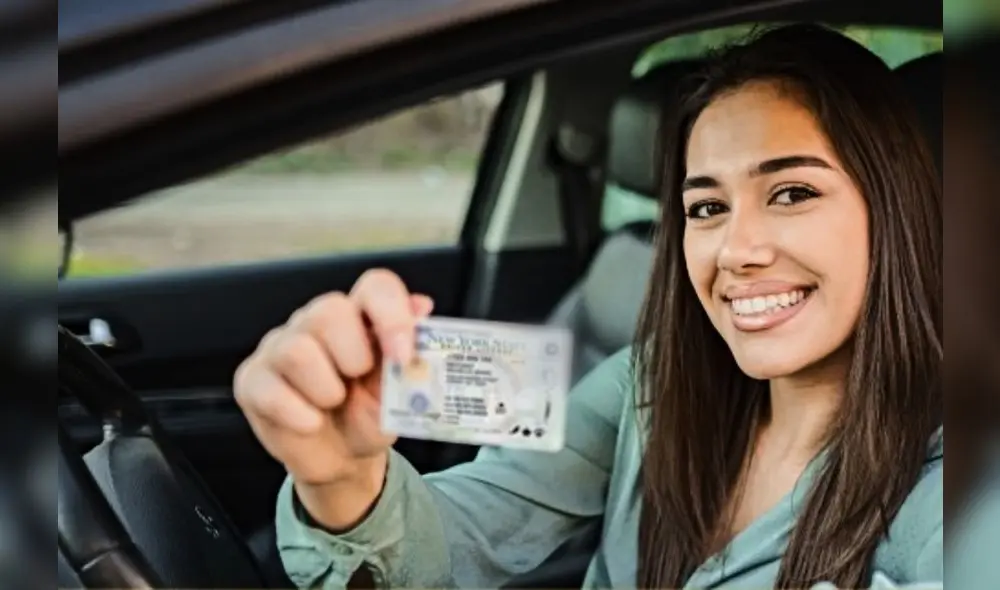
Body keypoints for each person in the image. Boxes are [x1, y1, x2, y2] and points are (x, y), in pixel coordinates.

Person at [234, 23, 942, 589]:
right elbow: (458, 539)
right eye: (706, 207)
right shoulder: (646, 383)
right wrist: (344, 475)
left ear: (896, 211)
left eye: (792, 193)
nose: (735, 250)